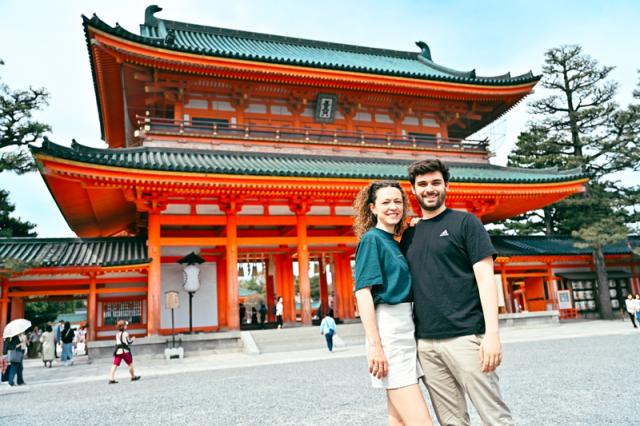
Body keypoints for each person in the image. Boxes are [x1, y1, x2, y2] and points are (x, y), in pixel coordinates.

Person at [400, 159, 513, 425]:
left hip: (466, 336)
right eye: (423, 184)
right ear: (413, 190)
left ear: (446, 186)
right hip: (425, 342)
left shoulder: (466, 223)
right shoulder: (408, 235)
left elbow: (485, 278)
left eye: (436, 183)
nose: (430, 189)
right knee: (451, 421)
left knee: (494, 416)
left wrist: (492, 335)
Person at [353, 180, 433, 426]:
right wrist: (376, 346)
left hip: (404, 327)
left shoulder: (393, 241)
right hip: (389, 331)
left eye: (398, 201)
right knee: (421, 422)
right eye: (385, 202)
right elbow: (363, 293)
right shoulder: (372, 240)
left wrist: (417, 229)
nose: (393, 207)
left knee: (398, 418)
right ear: (373, 208)